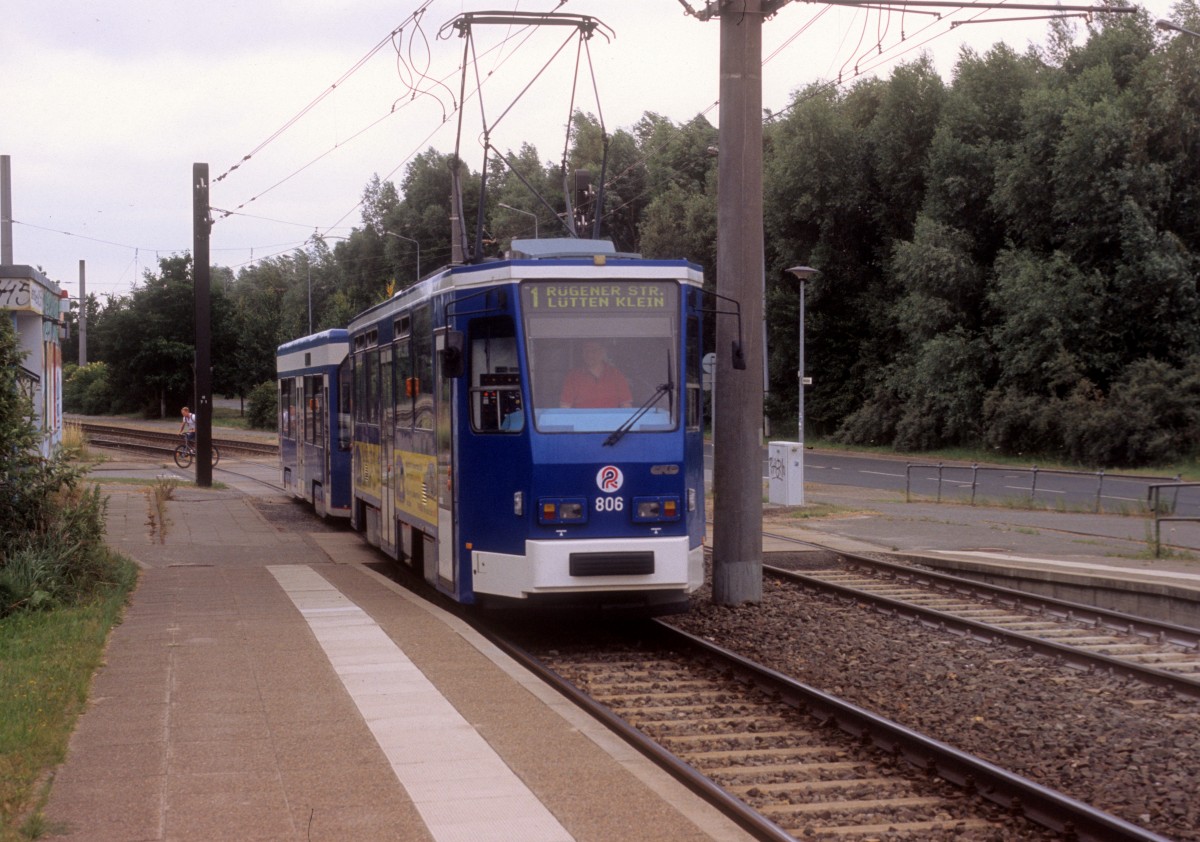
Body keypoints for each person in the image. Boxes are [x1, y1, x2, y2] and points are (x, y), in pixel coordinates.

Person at [559, 340, 632, 408]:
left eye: (594, 351)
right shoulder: (573, 376)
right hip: (582, 418)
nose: (589, 354)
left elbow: (626, 405)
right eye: (586, 351)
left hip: (610, 417)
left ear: (603, 352)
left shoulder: (616, 375)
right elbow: (565, 406)